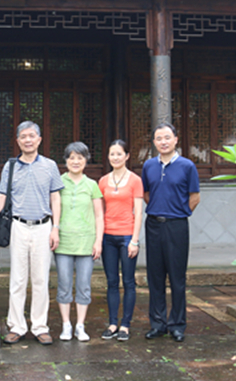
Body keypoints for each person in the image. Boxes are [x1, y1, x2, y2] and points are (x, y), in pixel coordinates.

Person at [0, 121, 63, 345]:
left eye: (32, 136)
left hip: (43, 226)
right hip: (18, 227)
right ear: (18, 141)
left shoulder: (50, 166)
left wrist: (55, 227)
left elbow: (56, 198)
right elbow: (2, 195)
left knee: (40, 279)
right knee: (18, 279)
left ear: (39, 140)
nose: (28, 140)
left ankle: (40, 326)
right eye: (23, 136)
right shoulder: (10, 166)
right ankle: (17, 326)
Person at [141, 123, 200, 343]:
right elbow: (146, 193)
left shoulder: (187, 166)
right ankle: (157, 324)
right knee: (155, 277)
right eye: (158, 138)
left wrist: (178, 213)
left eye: (167, 137)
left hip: (177, 226)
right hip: (154, 224)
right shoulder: (149, 166)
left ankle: (177, 324)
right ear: (154, 142)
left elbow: (195, 197)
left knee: (177, 277)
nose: (163, 142)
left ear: (176, 139)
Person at [55, 142, 103, 342]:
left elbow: (99, 216)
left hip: (86, 242)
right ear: (66, 160)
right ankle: (66, 324)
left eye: (80, 158)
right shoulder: (58, 181)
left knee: (84, 285)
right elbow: (54, 209)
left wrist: (98, 241)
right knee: (64, 284)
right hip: (64, 242)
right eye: (71, 158)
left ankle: (80, 326)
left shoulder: (92, 184)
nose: (75, 162)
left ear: (86, 160)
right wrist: (54, 231)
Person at [98, 139, 143, 342]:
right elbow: (99, 212)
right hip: (108, 236)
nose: (115, 157)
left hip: (127, 237)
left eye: (119, 154)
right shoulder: (103, 181)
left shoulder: (135, 180)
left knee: (128, 281)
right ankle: (112, 323)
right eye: (112, 154)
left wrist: (134, 240)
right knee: (112, 282)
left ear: (127, 156)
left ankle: (125, 324)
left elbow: (139, 212)